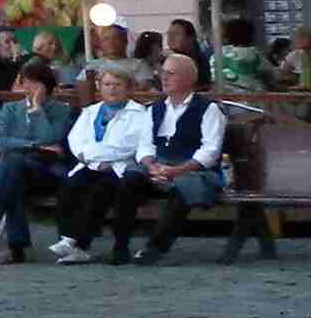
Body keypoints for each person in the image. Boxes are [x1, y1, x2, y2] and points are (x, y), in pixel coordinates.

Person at [0, 59, 76, 261]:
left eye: (34, 82)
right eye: (25, 81)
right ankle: (15, 245)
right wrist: (34, 145)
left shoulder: (61, 110)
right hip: (19, 169)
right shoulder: (11, 109)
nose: (28, 87)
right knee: (14, 175)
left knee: (12, 166)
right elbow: (2, 142)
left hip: (46, 171)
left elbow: (52, 137)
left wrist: (37, 110)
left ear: (46, 86)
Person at [125, 50, 233, 265]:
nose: (164, 78)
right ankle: (120, 244)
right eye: (163, 73)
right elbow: (145, 145)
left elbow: (210, 152)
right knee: (129, 178)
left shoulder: (209, 109)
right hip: (159, 168)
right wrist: (151, 165)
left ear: (189, 79)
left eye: (171, 74)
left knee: (183, 186)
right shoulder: (154, 108)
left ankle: (155, 247)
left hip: (193, 171)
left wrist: (178, 170)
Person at [49, 68, 153, 263]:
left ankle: (77, 242)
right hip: (91, 165)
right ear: (99, 88)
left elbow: (126, 147)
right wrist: (92, 157)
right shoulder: (90, 111)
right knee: (69, 185)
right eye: (107, 84)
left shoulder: (139, 114)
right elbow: (76, 140)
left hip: (118, 168)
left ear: (128, 88)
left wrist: (90, 153)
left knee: (101, 189)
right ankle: (69, 239)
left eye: (117, 84)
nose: (112, 89)